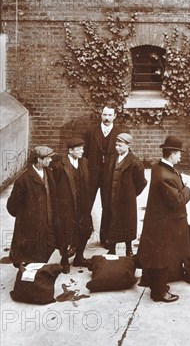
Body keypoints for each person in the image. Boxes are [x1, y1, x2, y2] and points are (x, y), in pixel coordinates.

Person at [138, 136, 190, 303]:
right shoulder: (165, 175)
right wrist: (188, 188)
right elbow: (177, 201)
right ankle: (159, 293)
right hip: (165, 225)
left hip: (159, 223)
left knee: (159, 256)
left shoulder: (158, 168)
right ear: (172, 154)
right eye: (179, 154)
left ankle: (157, 287)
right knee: (162, 258)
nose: (180, 157)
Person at [7, 146, 57, 267]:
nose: (51, 160)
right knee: (31, 256)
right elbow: (12, 206)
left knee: (48, 247)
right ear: (39, 160)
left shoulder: (49, 173)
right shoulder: (23, 180)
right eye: (48, 158)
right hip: (32, 226)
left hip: (48, 221)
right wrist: (26, 217)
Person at [83, 106, 126, 247]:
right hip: (92, 174)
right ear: (101, 115)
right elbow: (85, 154)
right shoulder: (91, 132)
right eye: (104, 115)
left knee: (108, 205)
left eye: (110, 115)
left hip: (110, 174)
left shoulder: (119, 133)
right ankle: (83, 235)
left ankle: (106, 237)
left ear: (115, 116)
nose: (107, 118)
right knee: (86, 204)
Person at [51, 137, 93, 273]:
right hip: (66, 206)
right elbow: (53, 186)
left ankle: (79, 257)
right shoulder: (59, 165)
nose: (82, 151)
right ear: (70, 150)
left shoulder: (84, 162)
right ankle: (64, 261)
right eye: (79, 149)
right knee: (66, 233)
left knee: (85, 230)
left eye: (83, 148)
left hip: (83, 205)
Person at [103, 133, 147, 256]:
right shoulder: (112, 158)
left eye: (120, 146)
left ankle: (128, 248)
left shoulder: (134, 162)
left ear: (128, 145)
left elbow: (141, 182)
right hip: (111, 196)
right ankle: (111, 248)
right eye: (116, 145)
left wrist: (131, 194)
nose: (117, 148)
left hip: (126, 199)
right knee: (112, 221)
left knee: (127, 223)